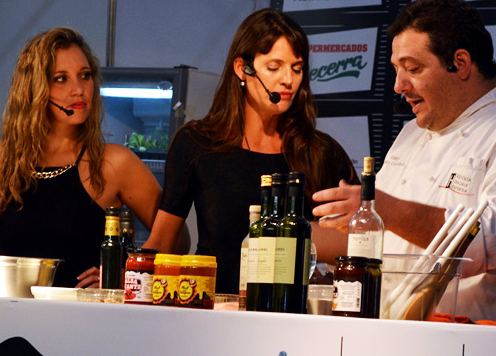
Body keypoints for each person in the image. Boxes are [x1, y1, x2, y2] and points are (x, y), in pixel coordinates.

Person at [312, 0, 496, 328]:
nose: (398, 86)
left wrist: (386, 208)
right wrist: (290, 238)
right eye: (396, 69)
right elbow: (380, 237)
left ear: (460, 63)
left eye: (413, 69)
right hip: (394, 339)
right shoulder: (411, 134)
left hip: (489, 349)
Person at [143, 9, 357, 294]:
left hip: (289, 311)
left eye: (296, 68)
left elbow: (361, 239)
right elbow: (162, 242)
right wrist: (124, 278)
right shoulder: (195, 142)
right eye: (274, 67)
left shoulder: (321, 152)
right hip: (212, 307)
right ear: (242, 68)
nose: (288, 80)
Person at [0, 27, 162, 292]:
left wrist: (126, 274)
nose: (79, 90)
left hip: (85, 314)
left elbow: (175, 237)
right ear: (33, 88)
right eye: (61, 79)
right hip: (10, 312)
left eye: (85, 76)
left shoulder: (115, 162)